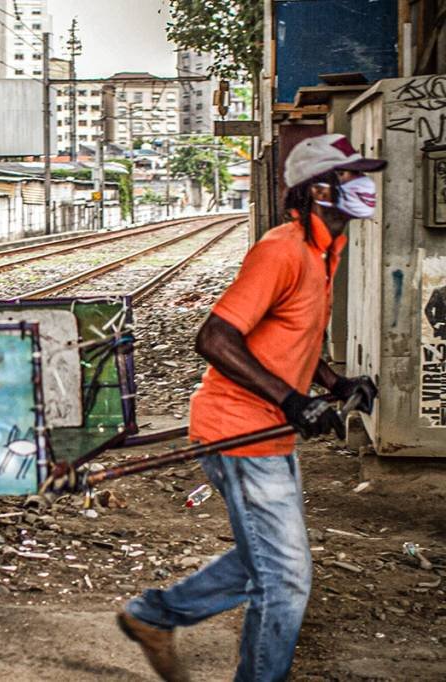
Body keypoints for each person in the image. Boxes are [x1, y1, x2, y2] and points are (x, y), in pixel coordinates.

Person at [117, 133, 385, 682]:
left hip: (268, 433)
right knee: (285, 577)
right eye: (349, 177)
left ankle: (152, 616)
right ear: (318, 192)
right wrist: (292, 401)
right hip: (239, 432)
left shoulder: (324, 250)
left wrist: (333, 384)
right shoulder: (283, 250)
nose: (363, 186)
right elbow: (215, 338)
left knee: (265, 559)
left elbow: (289, 336)